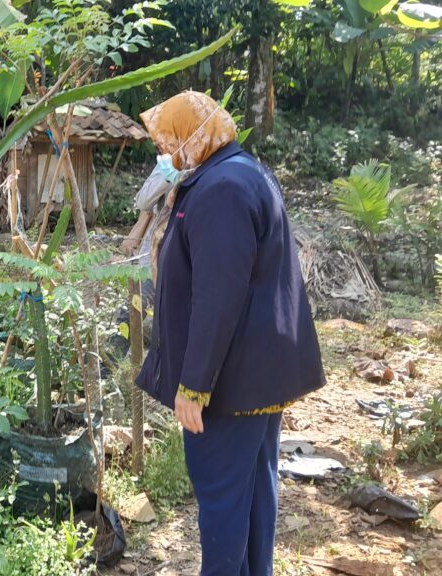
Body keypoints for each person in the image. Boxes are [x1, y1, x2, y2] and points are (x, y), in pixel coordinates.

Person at [134, 91, 325, 576]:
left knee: (222, 498)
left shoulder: (221, 189)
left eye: (168, 141)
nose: (164, 153)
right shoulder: (240, 172)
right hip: (255, 376)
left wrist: (194, 385)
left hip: (228, 383)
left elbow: (217, 296)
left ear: (193, 136)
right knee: (254, 494)